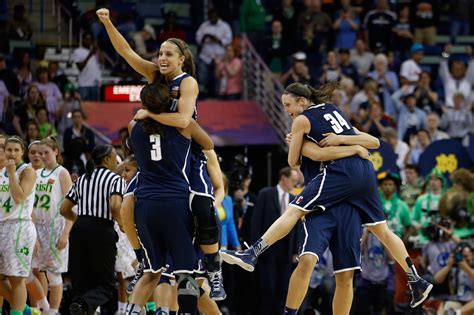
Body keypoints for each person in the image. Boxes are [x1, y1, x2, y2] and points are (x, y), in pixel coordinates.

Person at [221, 82, 433, 308]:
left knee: (295, 209)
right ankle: (415, 279)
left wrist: (297, 144)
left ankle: (253, 252)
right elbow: (373, 142)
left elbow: (298, 160)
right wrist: (352, 145)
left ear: (302, 101)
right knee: (379, 233)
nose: (286, 110)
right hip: (363, 174)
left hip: (339, 177)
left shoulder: (301, 121)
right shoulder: (333, 110)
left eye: (288, 105)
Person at [97, 7, 226, 300]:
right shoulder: (154, 73)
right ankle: (143, 258)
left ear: (182, 58)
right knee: (127, 205)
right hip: (155, 156)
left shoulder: (187, 82)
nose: (162, 58)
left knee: (205, 207)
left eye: (169, 54)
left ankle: (214, 269)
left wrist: (146, 114)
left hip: (184, 155)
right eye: (160, 54)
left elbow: (183, 121)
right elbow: (127, 52)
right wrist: (107, 23)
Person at [125, 82, 213, 314]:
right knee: (186, 272)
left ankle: (131, 311)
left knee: (152, 271)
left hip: (145, 204)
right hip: (175, 203)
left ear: (144, 104)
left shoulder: (133, 125)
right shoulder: (185, 126)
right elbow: (208, 144)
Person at [60, 144, 125, 315]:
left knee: (82, 283)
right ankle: (83, 305)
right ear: (107, 159)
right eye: (114, 158)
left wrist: (81, 221)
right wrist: (123, 224)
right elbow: (115, 205)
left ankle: (80, 306)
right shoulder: (115, 179)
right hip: (102, 230)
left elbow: (64, 209)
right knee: (106, 285)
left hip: (80, 228)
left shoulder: (82, 179)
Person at [33, 137, 73, 315]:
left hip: (55, 226)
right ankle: (43, 307)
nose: (42, 156)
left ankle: (53, 311)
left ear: (56, 152)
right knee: (31, 271)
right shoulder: (37, 172)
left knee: (53, 274)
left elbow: (72, 206)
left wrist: (66, 233)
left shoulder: (61, 173)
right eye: (40, 153)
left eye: (46, 153)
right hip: (36, 226)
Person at [250, 167, 298, 314]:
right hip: (268, 250)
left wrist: (296, 251)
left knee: (283, 289)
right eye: (293, 181)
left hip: (286, 251)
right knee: (267, 288)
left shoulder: (294, 200)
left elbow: (297, 228)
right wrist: (255, 250)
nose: (294, 184)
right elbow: (256, 222)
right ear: (284, 178)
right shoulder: (266, 194)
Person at [0, 136, 37, 315]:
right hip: (2, 226)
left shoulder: (27, 171)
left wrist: (12, 173)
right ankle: (25, 310)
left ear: (22, 151)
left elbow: (19, 197)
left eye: (16, 150)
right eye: (9, 150)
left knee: (16, 278)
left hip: (19, 228)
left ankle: (18, 312)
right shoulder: (2, 172)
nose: (12, 153)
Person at [195, 9, 233, 98]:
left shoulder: (225, 26)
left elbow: (228, 41)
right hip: (205, 56)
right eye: (210, 17)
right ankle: (203, 98)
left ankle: (217, 97)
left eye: (214, 16)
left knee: (218, 79)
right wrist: (204, 37)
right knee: (202, 78)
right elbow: (198, 39)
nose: (212, 18)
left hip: (220, 57)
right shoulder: (204, 26)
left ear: (217, 16)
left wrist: (216, 39)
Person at [71, 33, 102, 101]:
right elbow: (80, 68)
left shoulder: (94, 51)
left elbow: (102, 61)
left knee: (95, 108)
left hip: (95, 84)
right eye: (87, 39)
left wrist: (98, 50)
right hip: (84, 85)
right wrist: (90, 55)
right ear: (82, 40)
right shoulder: (78, 51)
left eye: (90, 39)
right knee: (84, 107)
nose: (89, 41)